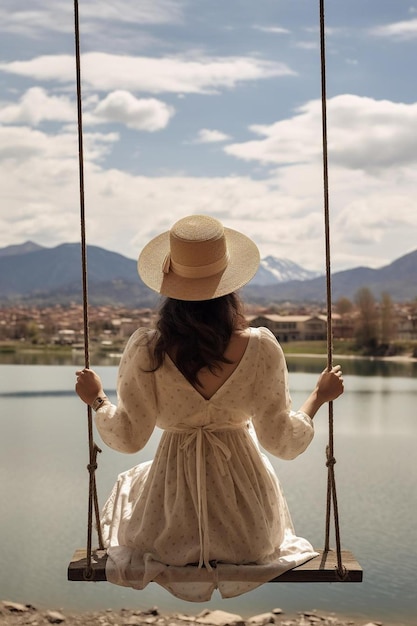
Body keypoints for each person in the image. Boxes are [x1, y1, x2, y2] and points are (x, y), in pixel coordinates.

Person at [75, 214, 344, 601]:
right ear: (230, 285)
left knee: (131, 485)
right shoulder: (260, 348)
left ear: (170, 286)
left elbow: (130, 438)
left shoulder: (148, 349)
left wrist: (97, 399)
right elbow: (282, 441)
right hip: (247, 534)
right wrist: (319, 395)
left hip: (165, 534)